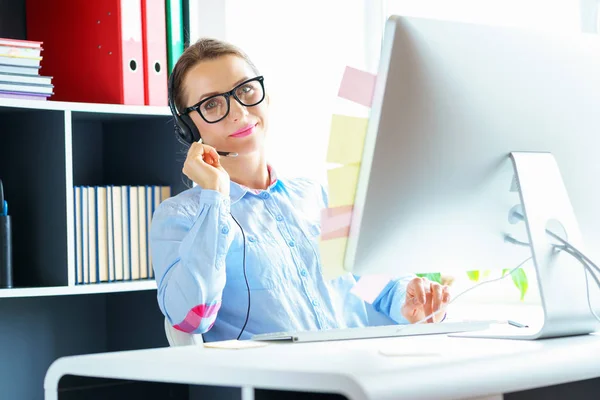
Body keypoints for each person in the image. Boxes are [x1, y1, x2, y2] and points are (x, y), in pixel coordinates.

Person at [150, 38, 451, 342]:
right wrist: (215, 196)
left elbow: (373, 285)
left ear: (265, 97)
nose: (238, 111)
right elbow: (191, 317)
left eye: (245, 90)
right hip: (280, 385)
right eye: (211, 103)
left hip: (361, 369)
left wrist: (408, 298)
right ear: (189, 128)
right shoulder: (179, 216)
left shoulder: (316, 195)